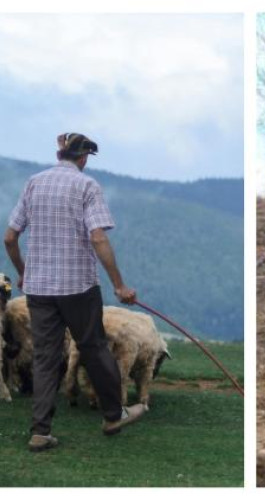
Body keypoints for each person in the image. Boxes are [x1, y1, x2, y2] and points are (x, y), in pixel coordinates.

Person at [4, 133, 146, 452]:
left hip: (38, 291)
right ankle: (113, 415)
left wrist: (24, 272)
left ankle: (40, 431)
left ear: (59, 154)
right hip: (78, 287)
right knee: (94, 347)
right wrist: (119, 285)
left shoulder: (33, 183)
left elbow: (10, 238)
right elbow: (98, 238)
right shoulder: (87, 186)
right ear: (83, 158)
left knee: (45, 356)